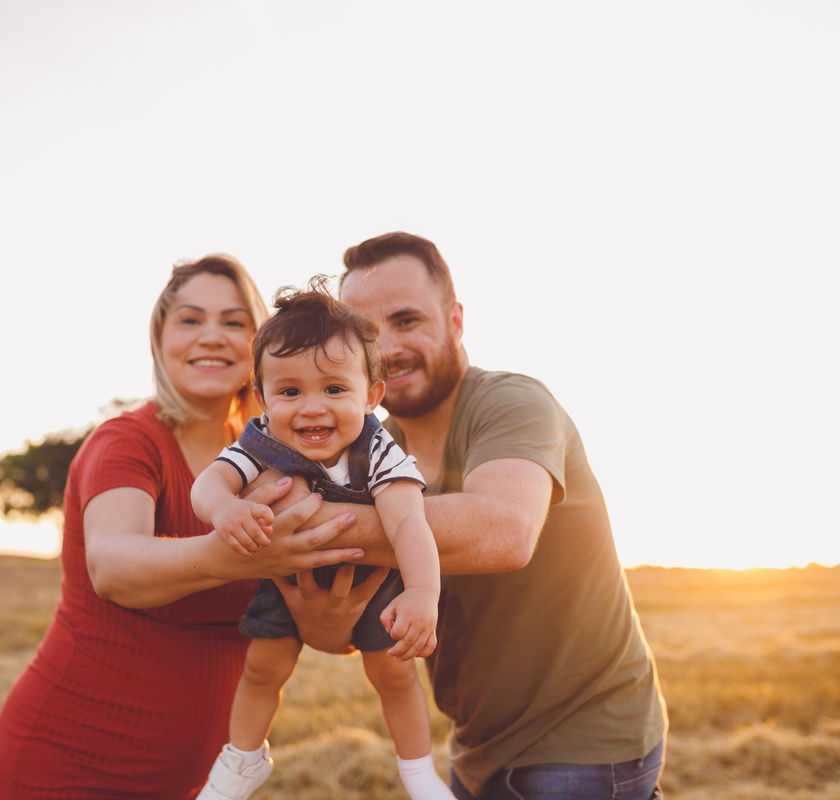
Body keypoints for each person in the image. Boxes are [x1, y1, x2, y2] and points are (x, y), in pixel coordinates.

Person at [267, 233, 668, 799]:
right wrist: (323, 618)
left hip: (582, 743)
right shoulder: (371, 451)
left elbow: (505, 531)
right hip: (476, 745)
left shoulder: (511, 402)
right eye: (367, 332)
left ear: (455, 319)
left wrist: (308, 529)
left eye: (407, 320)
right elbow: (346, 625)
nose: (389, 347)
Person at [0, 256, 371, 800]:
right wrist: (235, 555)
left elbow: (316, 630)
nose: (211, 336)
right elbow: (113, 566)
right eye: (190, 320)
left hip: (197, 782)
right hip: (68, 764)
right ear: (160, 339)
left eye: (234, 322)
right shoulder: (127, 441)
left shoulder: (284, 458)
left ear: (262, 349)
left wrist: (329, 622)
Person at [191, 280, 454, 800]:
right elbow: (210, 482)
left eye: (334, 389)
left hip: (374, 582)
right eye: (290, 392)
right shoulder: (261, 441)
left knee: (395, 676)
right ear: (262, 399)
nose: (312, 408)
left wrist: (423, 593)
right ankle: (242, 762)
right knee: (264, 668)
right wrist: (226, 509)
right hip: (286, 572)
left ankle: (419, 773)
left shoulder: (378, 451)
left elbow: (407, 523)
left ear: (372, 397)